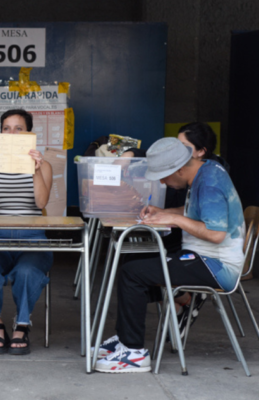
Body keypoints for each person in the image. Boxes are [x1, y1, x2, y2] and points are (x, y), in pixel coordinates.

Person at [94, 137, 245, 373]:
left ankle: (134, 353)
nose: (162, 182)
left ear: (180, 168)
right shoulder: (205, 170)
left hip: (216, 266)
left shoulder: (209, 184)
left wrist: (173, 219)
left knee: (132, 274)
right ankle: (126, 339)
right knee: (133, 264)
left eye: (164, 175)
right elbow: (197, 211)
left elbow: (216, 234)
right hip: (200, 257)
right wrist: (164, 212)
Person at [0, 109, 53, 355]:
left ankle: (22, 325)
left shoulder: (44, 165)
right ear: (0, 133)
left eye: (19, 129)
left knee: (28, 271)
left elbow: (41, 203)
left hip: (33, 238)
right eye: (6, 128)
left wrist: (36, 169)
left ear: (30, 134)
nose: (12, 133)